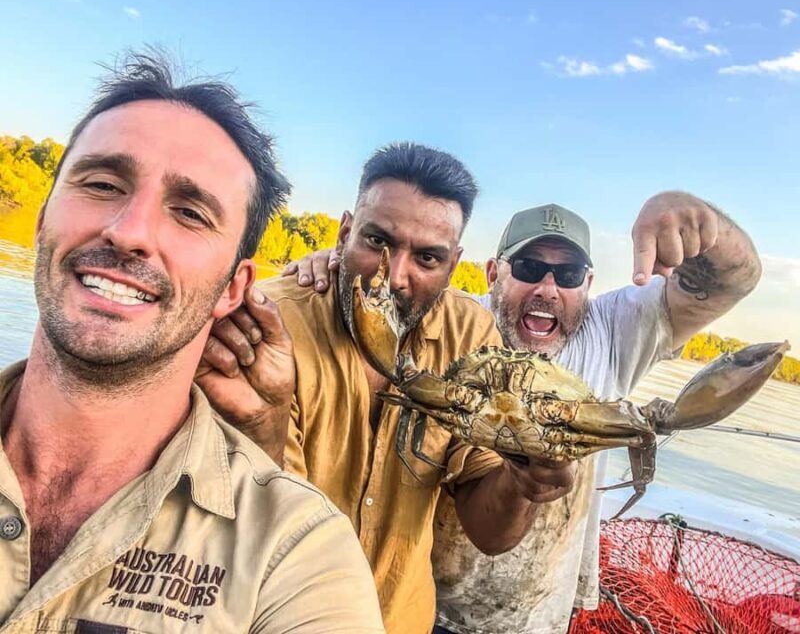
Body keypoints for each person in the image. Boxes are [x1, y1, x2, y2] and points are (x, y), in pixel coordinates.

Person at [0, 51, 385, 633]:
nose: (129, 232)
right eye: (103, 183)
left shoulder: (296, 555)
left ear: (234, 286)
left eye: (190, 213)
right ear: (42, 220)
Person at [281, 196, 762, 634]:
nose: (548, 288)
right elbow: (392, 299)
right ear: (493, 272)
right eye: (529, 266)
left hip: (538, 617)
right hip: (432, 605)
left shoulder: (614, 333)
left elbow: (732, 282)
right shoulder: (453, 325)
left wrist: (702, 223)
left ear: (587, 284)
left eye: (569, 275)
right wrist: (335, 266)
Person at [202, 143, 579, 634]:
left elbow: (489, 532)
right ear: (342, 233)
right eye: (377, 241)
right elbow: (242, 515)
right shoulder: (266, 324)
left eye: (427, 257)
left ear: (453, 265)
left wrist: (523, 484)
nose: (394, 276)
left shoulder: (471, 338)